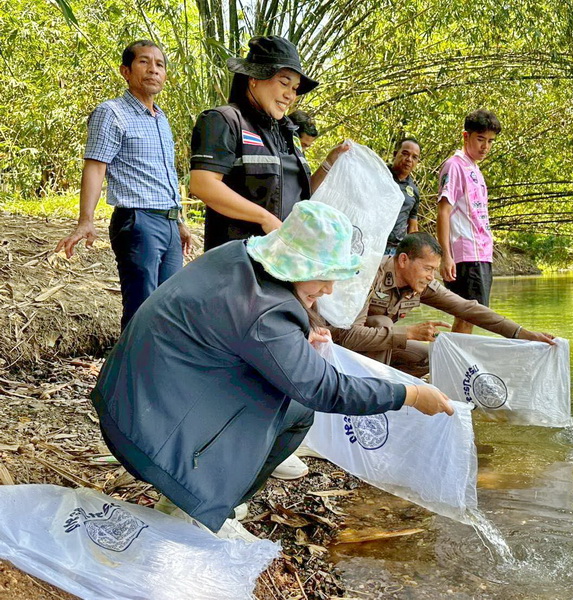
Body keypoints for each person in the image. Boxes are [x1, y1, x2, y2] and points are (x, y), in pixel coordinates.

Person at [90, 202, 453, 542]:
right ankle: (192, 504)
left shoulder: (239, 256)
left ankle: (210, 496)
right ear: (298, 266)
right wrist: (410, 395)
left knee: (296, 408)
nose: (329, 289)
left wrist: (298, 337)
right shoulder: (268, 312)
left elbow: (236, 328)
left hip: (129, 393)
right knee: (290, 401)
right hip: (144, 430)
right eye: (325, 276)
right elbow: (325, 389)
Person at [55, 40, 192, 330]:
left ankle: (154, 362)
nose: (153, 69)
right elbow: (96, 166)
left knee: (168, 311)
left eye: (159, 64)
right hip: (139, 222)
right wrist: (85, 220)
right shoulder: (112, 112)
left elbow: (164, 174)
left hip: (168, 224)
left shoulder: (161, 119)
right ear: (125, 71)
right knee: (142, 311)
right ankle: (129, 361)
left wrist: (178, 221)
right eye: (144, 62)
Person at [189, 36, 346, 251]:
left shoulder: (287, 132)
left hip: (282, 258)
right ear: (254, 77)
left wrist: (329, 163)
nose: (290, 95)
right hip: (238, 259)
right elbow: (203, 184)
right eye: (284, 83)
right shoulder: (224, 120)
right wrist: (264, 218)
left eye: (295, 88)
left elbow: (299, 195)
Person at [330, 232, 555, 378]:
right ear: (404, 260)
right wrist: (408, 333)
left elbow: (468, 309)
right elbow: (347, 336)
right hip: (335, 348)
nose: (431, 276)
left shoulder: (421, 282)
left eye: (434, 270)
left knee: (431, 357)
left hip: (372, 349)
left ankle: (393, 386)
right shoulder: (368, 276)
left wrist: (521, 333)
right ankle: (366, 393)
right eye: (427, 268)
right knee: (382, 322)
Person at [436, 109, 501, 335]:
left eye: (490, 141)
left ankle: (456, 356)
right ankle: (454, 357)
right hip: (466, 253)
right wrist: (446, 255)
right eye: (480, 139)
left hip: (481, 252)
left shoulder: (475, 168)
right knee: (468, 315)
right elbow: (443, 211)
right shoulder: (455, 166)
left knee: (471, 316)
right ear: (466, 136)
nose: (485, 147)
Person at [385, 137, 421, 255]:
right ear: (395, 154)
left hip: (394, 249)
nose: (409, 159)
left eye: (414, 157)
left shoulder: (413, 191)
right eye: (405, 154)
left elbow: (412, 226)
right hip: (371, 242)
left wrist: (413, 253)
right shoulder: (380, 175)